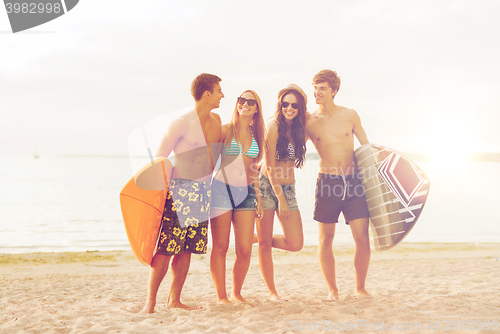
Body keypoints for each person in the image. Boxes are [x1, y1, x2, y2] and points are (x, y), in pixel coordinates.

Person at [141, 73, 224, 313]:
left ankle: (174, 299)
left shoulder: (216, 121)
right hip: (180, 191)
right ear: (207, 94)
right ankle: (150, 302)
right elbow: (159, 159)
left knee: (187, 248)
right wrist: (157, 198)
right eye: (219, 91)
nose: (222, 95)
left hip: (203, 192)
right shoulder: (182, 123)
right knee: (167, 248)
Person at [305, 69, 371, 301]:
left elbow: (366, 148)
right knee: (326, 238)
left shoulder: (350, 115)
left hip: (353, 182)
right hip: (328, 183)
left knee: (362, 237)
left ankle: (360, 288)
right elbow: (292, 149)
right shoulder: (309, 121)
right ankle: (333, 291)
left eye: (322, 88)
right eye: (315, 87)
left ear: (334, 91)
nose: (317, 92)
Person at [210, 90, 265, 305]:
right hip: (221, 191)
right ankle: (222, 296)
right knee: (221, 247)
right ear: (237, 103)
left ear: (256, 108)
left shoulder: (257, 136)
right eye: (242, 100)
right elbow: (209, 162)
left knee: (244, 248)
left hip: (246, 194)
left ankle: (236, 293)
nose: (246, 104)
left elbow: (254, 169)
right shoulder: (224, 131)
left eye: (251, 102)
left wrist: (258, 197)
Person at [255, 84, 307, 301]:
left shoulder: (298, 128)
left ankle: (252, 238)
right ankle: (272, 291)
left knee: (296, 243)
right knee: (265, 244)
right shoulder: (273, 126)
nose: (289, 107)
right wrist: (281, 199)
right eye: (285, 103)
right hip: (268, 186)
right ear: (279, 104)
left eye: (294, 105)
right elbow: (269, 167)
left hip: (289, 188)